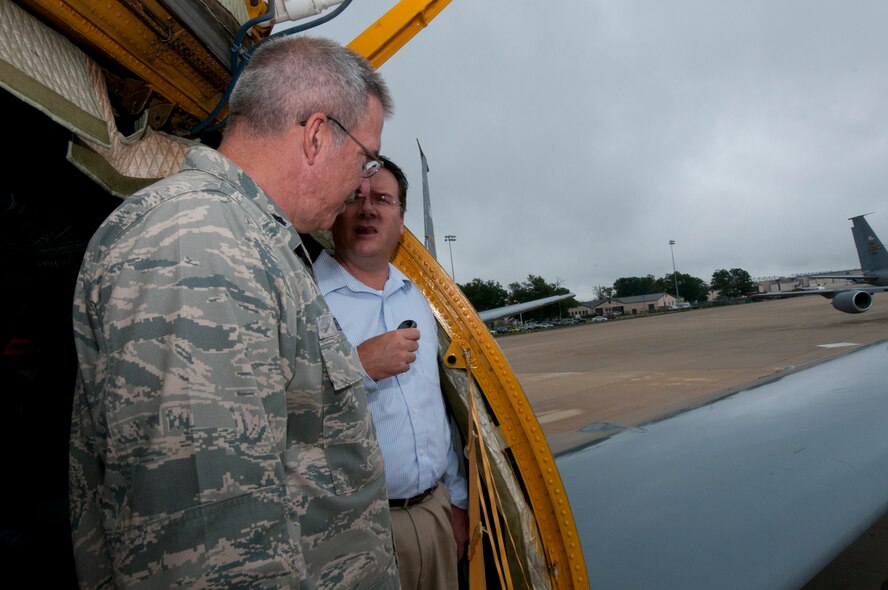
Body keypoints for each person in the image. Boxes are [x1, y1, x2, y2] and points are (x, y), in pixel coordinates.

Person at [69, 36, 400, 589]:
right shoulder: (199, 244)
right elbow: (211, 552)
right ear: (317, 135)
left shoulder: (253, 242)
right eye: (365, 158)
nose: (361, 185)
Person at [314, 156, 469, 589]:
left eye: (383, 199)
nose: (368, 209)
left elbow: (437, 406)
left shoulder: (416, 298)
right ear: (332, 214)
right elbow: (280, 416)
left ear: (401, 222)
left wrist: (455, 501)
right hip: (355, 530)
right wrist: (357, 367)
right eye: (355, 197)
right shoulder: (305, 302)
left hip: (433, 514)